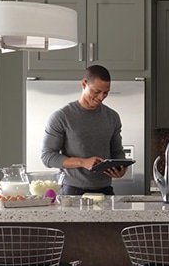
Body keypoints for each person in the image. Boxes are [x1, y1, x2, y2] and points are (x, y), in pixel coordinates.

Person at [41, 65, 128, 195]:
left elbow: (117, 152)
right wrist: (83, 162)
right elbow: (47, 157)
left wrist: (121, 168)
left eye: (106, 93)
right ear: (83, 84)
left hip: (106, 191)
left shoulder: (112, 117)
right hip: (72, 191)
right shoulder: (62, 117)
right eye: (96, 91)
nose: (101, 97)